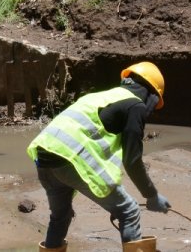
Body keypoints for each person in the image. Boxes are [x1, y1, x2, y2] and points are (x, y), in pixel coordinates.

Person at [27, 61, 170, 252]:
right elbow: (132, 160)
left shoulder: (102, 96)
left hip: (44, 157)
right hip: (70, 161)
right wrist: (151, 195)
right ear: (151, 93)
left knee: (60, 216)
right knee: (129, 211)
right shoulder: (135, 106)